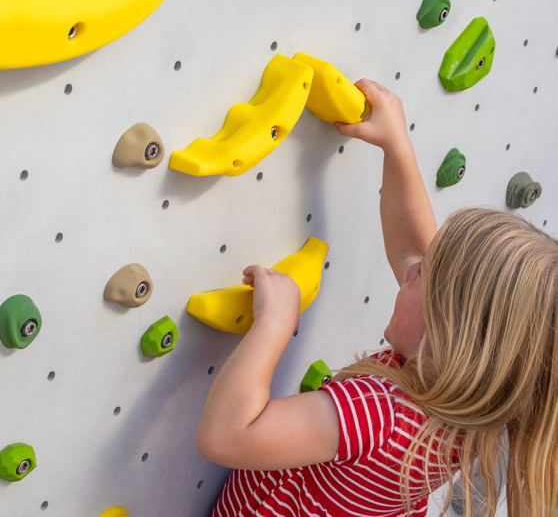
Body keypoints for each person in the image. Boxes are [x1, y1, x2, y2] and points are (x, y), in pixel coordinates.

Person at [197, 79, 558, 517]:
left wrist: (275, 324)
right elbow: (415, 248)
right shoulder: (469, 407)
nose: (409, 269)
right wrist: (396, 146)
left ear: (448, 332)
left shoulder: (375, 415)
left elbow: (226, 437)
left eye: (421, 276)